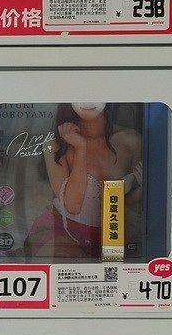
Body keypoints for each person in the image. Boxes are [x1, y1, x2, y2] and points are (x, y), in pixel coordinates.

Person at [24, 103, 143, 259]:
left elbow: (129, 202)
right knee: (67, 262)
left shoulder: (131, 140)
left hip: (112, 234)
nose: (88, 101)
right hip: (61, 230)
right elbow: (73, 206)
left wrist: (142, 188)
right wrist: (81, 148)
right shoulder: (55, 143)